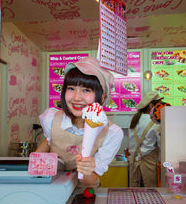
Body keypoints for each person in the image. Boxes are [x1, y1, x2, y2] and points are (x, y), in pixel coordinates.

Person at [36, 57, 123, 187]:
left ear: (102, 97)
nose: (76, 98)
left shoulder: (111, 133)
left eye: (86, 90)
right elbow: (41, 154)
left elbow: (89, 180)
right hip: (52, 188)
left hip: (84, 194)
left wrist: (86, 169)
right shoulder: (51, 119)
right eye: (71, 88)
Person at [128, 91, 163, 187]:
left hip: (134, 163)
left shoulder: (134, 119)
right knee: (150, 195)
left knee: (135, 194)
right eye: (159, 105)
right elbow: (161, 145)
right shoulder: (155, 121)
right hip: (149, 164)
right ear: (151, 106)